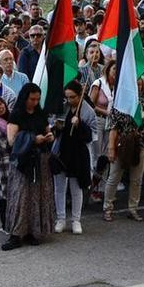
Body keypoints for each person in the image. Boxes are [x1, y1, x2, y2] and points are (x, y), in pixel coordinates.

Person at [2, 82, 52, 251]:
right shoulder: (16, 115)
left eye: (38, 99)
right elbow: (11, 140)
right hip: (23, 162)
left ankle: (32, 230)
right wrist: (32, 139)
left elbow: (46, 130)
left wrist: (49, 135)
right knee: (21, 197)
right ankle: (16, 234)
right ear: (25, 98)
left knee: (36, 197)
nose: (35, 102)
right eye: (32, 99)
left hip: (40, 161)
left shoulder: (40, 113)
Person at [51, 80, 96, 234]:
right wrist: (56, 127)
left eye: (73, 97)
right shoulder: (63, 108)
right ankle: (61, 218)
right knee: (59, 187)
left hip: (78, 153)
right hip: (62, 151)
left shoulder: (88, 111)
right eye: (67, 97)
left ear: (80, 95)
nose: (69, 100)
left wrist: (80, 125)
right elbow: (53, 127)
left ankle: (76, 219)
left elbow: (91, 136)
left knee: (76, 187)